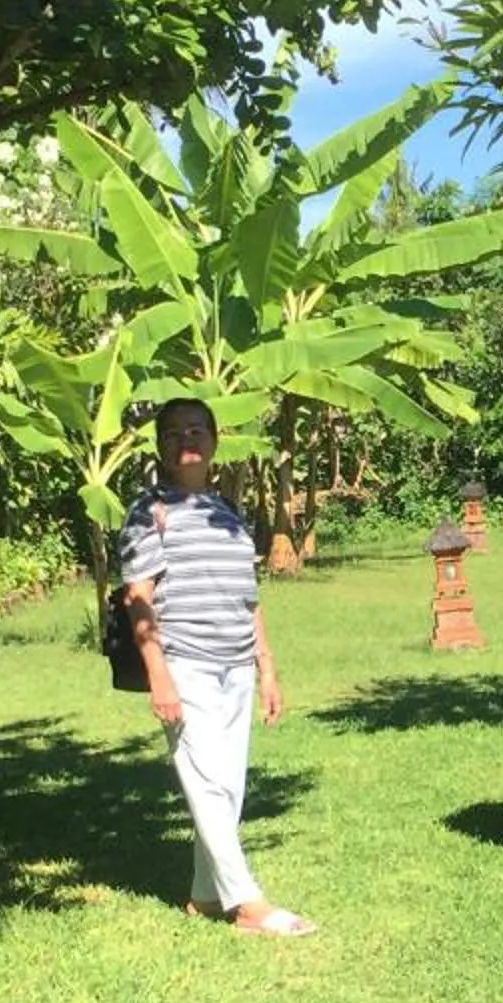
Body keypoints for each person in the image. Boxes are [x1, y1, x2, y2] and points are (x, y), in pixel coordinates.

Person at [114, 397, 315, 935]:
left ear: (214, 441)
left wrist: (266, 667)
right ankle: (246, 903)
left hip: (236, 666)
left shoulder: (227, 513)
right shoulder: (147, 512)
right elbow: (138, 596)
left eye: (198, 429)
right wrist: (158, 672)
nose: (188, 439)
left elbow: (248, 598)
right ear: (160, 446)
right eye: (175, 432)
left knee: (226, 786)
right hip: (185, 662)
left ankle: (205, 895)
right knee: (205, 781)